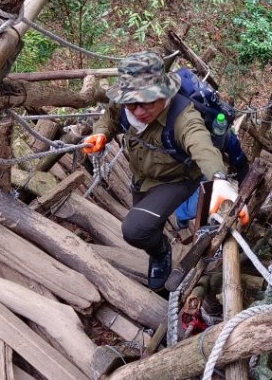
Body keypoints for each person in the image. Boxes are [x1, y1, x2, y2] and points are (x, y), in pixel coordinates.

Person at [83, 52, 246, 291]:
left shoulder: (183, 116)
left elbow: (201, 146)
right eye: (131, 103)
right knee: (148, 223)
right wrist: (101, 134)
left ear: (164, 93)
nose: (138, 111)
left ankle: (161, 253)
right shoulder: (124, 106)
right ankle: (157, 247)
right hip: (142, 176)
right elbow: (110, 118)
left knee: (134, 229)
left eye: (147, 101)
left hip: (177, 179)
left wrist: (219, 180)